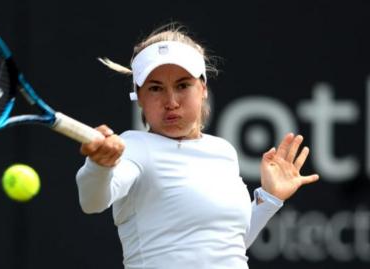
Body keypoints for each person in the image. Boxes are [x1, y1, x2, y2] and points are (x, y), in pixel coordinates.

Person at [75, 24, 319, 269]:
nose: (171, 102)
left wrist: (269, 199)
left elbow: (229, 244)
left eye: (182, 85)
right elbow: (93, 202)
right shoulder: (135, 147)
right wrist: (100, 166)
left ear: (203, 88)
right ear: (139, 96)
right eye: (155, 88)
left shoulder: (223, 152)